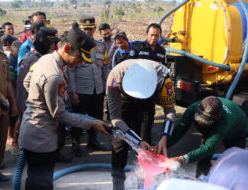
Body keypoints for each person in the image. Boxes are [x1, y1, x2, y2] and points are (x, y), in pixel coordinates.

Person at [18, 23, 111, 190]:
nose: (81, 62)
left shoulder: (46, 58)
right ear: (67, 48)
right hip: (42, 138)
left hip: (33, 133)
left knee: (35, 180)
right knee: (41, 183)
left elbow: (28, 82)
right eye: (79, 57)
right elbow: (60, 115)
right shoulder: (54, 75)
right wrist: (92, 123)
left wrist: (38, 100)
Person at [107, 59, 176, 190]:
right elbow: (115, 119)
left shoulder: (163, 78)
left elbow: (170, 110)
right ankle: (117, 184)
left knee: (146, 144)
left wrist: (165, 137)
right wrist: (137, 141)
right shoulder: (114, 77)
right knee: (120, 141)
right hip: (124, 100)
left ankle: (143, 184)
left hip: (148, 101)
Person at [165, 96, 248, 177]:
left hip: (237, 132)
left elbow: (209, 147)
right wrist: (164, 146)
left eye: (205, 121)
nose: (200, 123)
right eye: (199, 119)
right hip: (216, 124)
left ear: (218, 117)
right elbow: (180, 130)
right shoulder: (192, 108)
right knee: (203, 158)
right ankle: (201, 180)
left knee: (234, 163)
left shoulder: (224, 121)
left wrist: (182, 159)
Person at [67, 16, 110, 157]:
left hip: (97, 89)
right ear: (80, 29)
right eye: (85, 28)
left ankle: (93, 141)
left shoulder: (100, 46)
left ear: (95, 28)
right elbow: (71, 71)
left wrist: (105, 89)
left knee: (96, 117)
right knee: (78, 118)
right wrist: (72, 92)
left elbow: (105, 68)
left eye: (90, 28)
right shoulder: (75, 47)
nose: (88, 31)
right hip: (81, 90)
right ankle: (75, 144)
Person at [14, 27, 59, 155]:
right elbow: (23, 86)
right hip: (34, 110)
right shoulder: (29, 60)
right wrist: (22, 108)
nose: (55, 47)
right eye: (52, 43)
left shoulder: (50, 59)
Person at [0, 30, 18, 182]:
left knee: (1, 139)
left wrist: (13, 103)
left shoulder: (3, 57)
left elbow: (8, 82)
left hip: (3, 106)